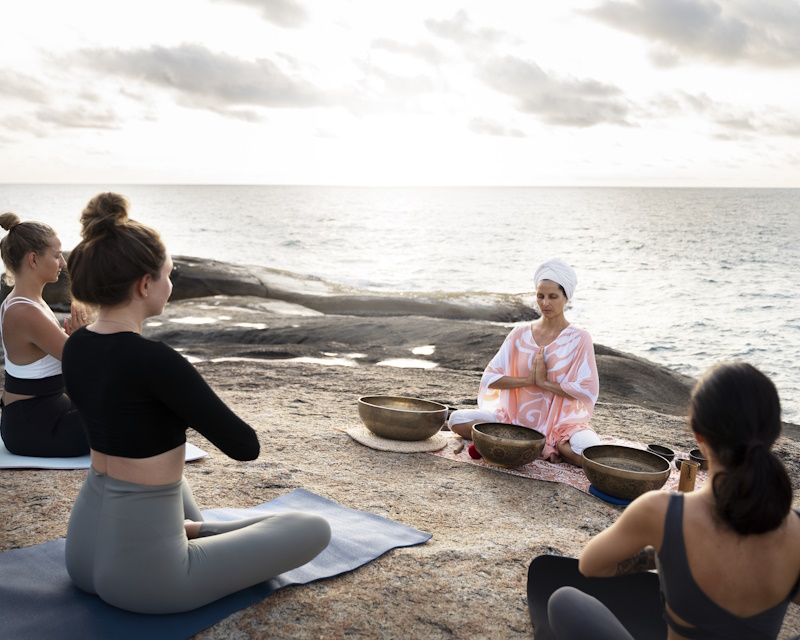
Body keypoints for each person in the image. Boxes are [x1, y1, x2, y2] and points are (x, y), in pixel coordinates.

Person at [62, 192, 331, 614]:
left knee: (175, 478)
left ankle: (190, 528)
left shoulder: (76, 345)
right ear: (145, 284)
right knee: (313, 527)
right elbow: (245, 447)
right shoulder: (156, 360)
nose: (172, 284)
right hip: (148, 581)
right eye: (170, 274)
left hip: (82, 553)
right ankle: (199, 530)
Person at [548, 362, 800, 639]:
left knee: (564, 600)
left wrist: (664, 553)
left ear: (697, 433)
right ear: (774, 433)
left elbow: (590, 565)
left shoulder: (662, 512)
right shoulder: (796, 528)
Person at [448, 259, 600, 466]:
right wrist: (528, 380)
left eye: (553, 297)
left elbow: (587, 389)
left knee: (590, 452)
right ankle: (540, 447)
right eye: (540, 296)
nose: (545, 303)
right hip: (512, 420)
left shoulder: (579, 338)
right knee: (456, 420)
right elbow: (491, 378)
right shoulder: (519, 334)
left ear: (566, 298)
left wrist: (545, 383)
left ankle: (550, 444)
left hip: (561, 425)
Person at [0, 212, 90, 457]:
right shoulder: (25, 311)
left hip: (42, 414)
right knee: (130, 414)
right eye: (57, 255)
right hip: (37, 427)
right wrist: (81, 337)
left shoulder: (24, 301)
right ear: (33, 259)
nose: (63, 263)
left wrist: (73, 339)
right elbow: (85, 363)